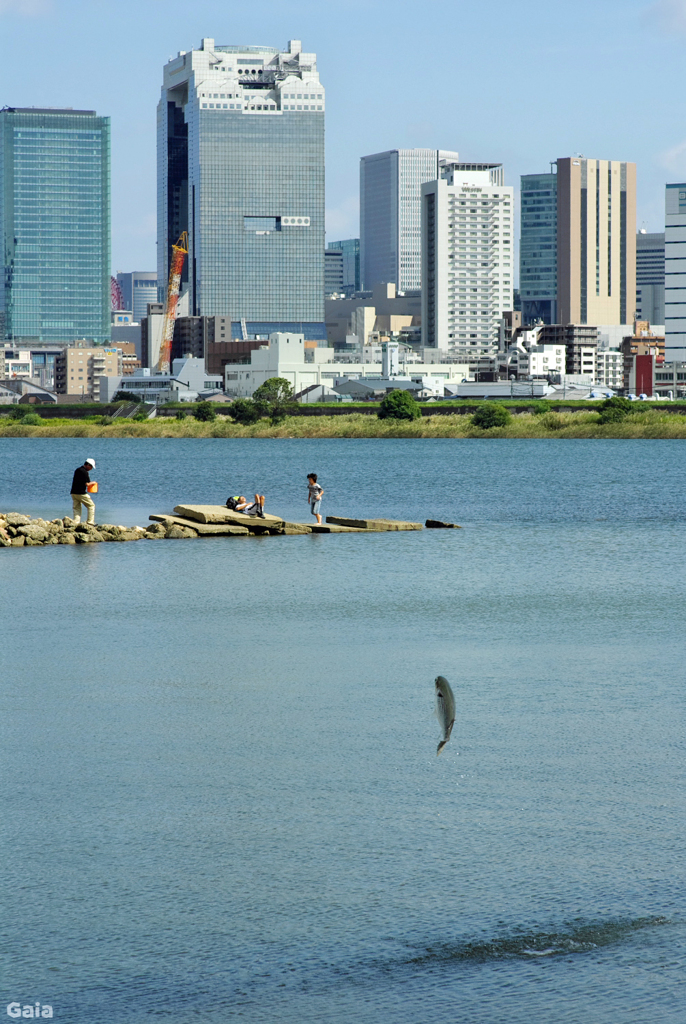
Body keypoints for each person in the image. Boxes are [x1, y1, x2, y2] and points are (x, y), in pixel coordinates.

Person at [71, 458, 96, 524]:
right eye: (91, 467)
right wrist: (93, 482)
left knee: (77, 508)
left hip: (73, 493)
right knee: (91, 506)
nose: (91, 469)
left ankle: (76, 522)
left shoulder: (77, 470)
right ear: (88, 465)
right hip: (81, 493)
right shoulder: (85, 472)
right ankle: (90, 522)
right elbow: (87, 484)